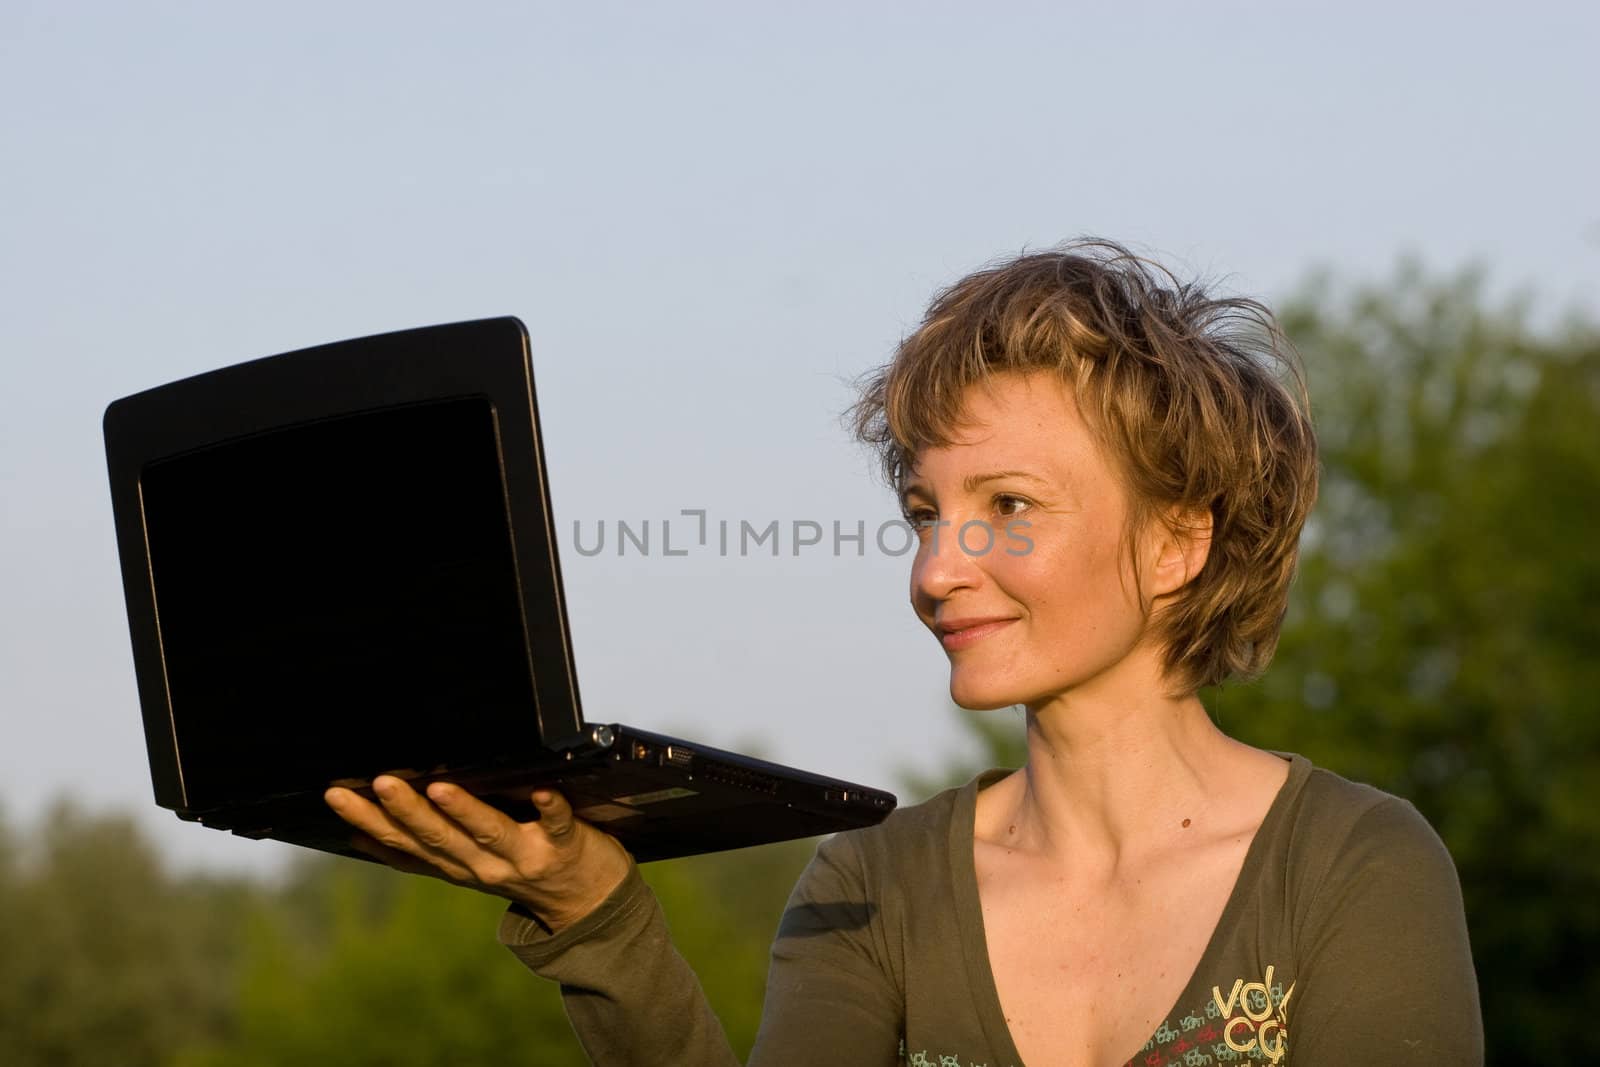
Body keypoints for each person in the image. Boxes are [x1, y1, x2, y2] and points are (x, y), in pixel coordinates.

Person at [324, 239, 1484, 1065]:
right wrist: (597, 918)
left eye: (1011, 505)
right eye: (926, 512)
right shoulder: (872, 883)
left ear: (1178, 540)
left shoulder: (1352, 866)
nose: (937, 570)